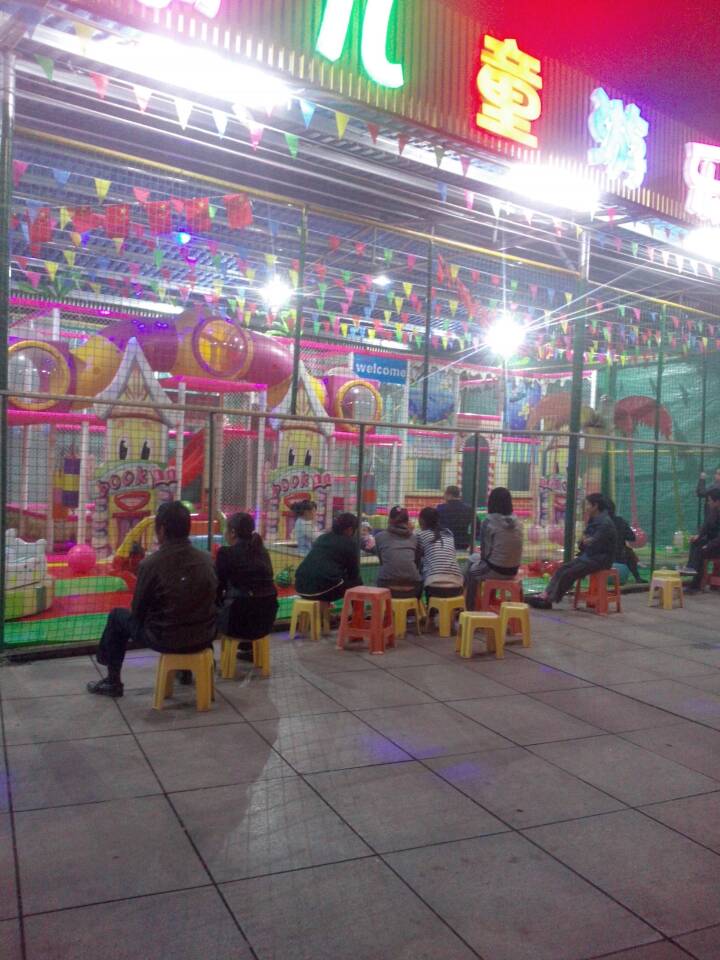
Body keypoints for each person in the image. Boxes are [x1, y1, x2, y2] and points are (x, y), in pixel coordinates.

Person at [87, 501, 218, 698]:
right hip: (204, 636)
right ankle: (185, 671)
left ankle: (113, 681)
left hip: (166, 638)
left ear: (162, 530)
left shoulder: (151, 564)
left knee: (117, 616)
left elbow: (138, 610)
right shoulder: (207, 559)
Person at [528, 493, 617, 610]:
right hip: (590, 556)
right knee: (562, 569)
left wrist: (586, 541)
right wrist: (584, 541)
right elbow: (585, 542)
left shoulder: (605, 523)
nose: (586, 508)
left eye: (588, 505)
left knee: (568, 573)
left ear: (595, 506)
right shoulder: (594, 519)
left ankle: (549, 599)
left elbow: (593, 541)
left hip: (600, 560)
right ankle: (545, 595)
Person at [216, 512, 279, 661]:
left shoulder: (226, 553)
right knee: (249, 601)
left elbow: (218, 587)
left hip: (237, 622)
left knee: (219, 605)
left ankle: (205, 655)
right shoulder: (262, 551)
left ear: (232, 532)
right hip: (266, 620)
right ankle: (248, 648)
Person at [464, 487, 523, 610]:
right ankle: (488, 601)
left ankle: (468, 609)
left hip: (497, 569)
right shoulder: (517, 520)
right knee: (475, 560)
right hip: (513, 570)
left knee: (471, 572)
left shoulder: (489, 521)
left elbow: (485, 554)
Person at [295, 512, 363, 617]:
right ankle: (357, 617)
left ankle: (330, 617)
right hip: (323, 591)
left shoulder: (322, 538)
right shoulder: (349, 543)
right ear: (349, 529)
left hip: (300, 587)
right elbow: (353, 573)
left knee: (338, 579)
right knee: (357, 582)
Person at [371, 506, 422, 598]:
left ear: (389, 520)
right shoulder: (415, 538)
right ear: (407, 522)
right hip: (413, 588)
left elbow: (382, 561)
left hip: (386, 586)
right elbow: (417, 563)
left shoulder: (379, 537)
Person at [417, 506, 464, 598]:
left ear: (421, 521)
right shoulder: (449, 533)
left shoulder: (421, 535)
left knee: (421, 563)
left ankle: (429, 610)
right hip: (457, 584)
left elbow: (417, 556)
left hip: (434, 584)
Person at [684, 488, 720, 592]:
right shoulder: (713, 511)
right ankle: (691, 568)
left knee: (702, 551)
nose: (708, 502)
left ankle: (695, 585)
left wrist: (708, 545)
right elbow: (706, 526)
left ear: (717, 501)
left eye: (709, 500)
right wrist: (698, 536)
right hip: (713, 543)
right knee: (696, 542)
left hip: (717, 545)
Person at [606, 498, 646, 583]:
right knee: (628, 552)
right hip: (618, 557)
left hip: (601, 557)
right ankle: (637, 577)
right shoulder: (620, 521)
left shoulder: (597, 522)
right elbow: (632, 537)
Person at [436, 485, 474, 550]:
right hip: (462, 542)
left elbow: (435, 525)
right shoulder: (468, 508)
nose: (443, 496)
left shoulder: (440, 508)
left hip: (445, 541)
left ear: (449, 495)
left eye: (445, 493)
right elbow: (477, 526)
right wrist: (469, 537)